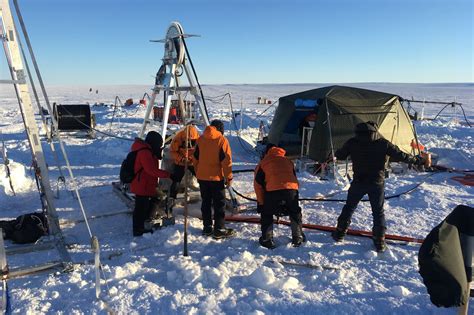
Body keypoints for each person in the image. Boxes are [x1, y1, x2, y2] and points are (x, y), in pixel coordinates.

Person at [332, 121, 425, 252]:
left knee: (349, 207)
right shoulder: (383, 143)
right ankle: (379, 241)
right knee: (378, 212)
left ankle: (340, 233)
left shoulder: (352, 142)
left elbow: (340, 155)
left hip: (359, 181)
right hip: (377, 183)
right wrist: (417, 160)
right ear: (375, 131)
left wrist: (336, 152)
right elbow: (401, 156)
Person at [254, 144, 304, 249]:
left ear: (267, 152)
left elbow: (258, 186)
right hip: (291, 190)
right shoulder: (288, 161)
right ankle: (298, 236)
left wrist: (261, 203)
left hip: (272, 191)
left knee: (267, 213)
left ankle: (267, 239)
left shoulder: (263, 163)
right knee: (295, 212)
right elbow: (293, 179)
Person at [193, 120, 234, 239]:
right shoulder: (222, 140)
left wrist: (199, 173)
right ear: (221, 129)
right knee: (219, 203)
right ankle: (219, 229)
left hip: (202, 177)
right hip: (216, 178)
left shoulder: (200, 139)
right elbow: (226, 162)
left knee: (205, 202)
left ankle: (207, 227)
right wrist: (229, 177)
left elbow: (195, 159)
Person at [130, 131, 170, 236]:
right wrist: (168, 174)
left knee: (152, 200)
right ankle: (138, 229)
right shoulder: (144, 152)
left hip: (146, 183)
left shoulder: (149, 150)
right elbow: (151, 170)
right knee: (140, 208)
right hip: (141, 184)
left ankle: (146, 221)